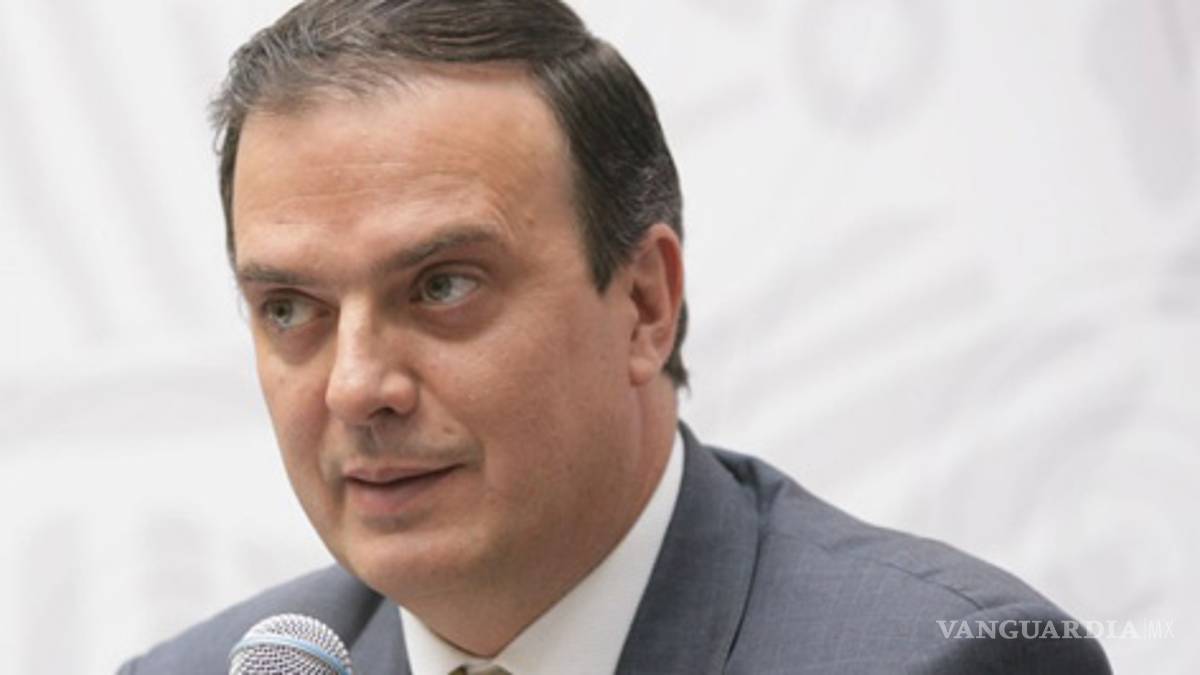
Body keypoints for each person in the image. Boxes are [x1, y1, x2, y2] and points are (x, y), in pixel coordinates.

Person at [119, 1, 1111, 673]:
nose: (355, 387)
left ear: (644, 303)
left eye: (443, 286)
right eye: (291, 308)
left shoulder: (939, 660)